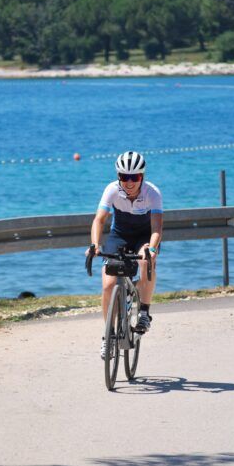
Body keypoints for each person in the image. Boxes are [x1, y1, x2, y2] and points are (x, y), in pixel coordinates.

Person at [86, 151, 163, 359]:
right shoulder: (111, 190)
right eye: (124, 177)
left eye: (134, 177)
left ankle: (144, 311)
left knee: (147, 261)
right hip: (119, 235)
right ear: (118, 176)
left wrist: (153, 249)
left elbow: (156, 228)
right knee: (108, 285)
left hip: (144, 236)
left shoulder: (152, 193)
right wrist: (94, 245)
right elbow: (99, 220)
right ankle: (108, 337)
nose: (129, 182)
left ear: (142, 177)